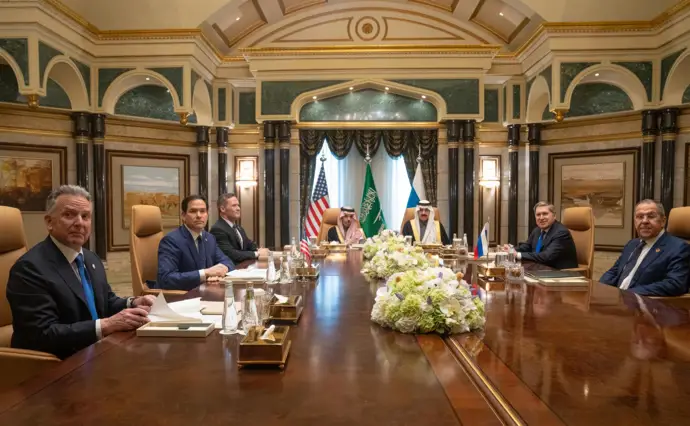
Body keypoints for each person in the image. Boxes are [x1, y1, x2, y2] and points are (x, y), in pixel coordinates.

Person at [7, 185, 156, 359]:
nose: (79, 223)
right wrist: (106, 325)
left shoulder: (91, 258)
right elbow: (42, 334)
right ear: (49, 222)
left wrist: (133, 303)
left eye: (85, 216)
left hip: (96, 352)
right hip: (57, 364)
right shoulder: (30, 268)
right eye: (69, 215)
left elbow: (106, 302)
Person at [600, 200, 690, 297]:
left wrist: (627, 294)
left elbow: (675, 284)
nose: (644, 221)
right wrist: (598, 289)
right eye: (640, 217)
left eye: (651, 216)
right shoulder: (632, 244)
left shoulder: (679, 248)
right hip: (617, 300)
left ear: (663, 221)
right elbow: (613, 273)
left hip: (643, 303)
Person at [157, 195, 234, 291]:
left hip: (208, 291)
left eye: (203, 211)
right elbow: (166, 279)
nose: (199, 215)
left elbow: (228, 262)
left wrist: (222, 270)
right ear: (183, 216)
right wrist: (205, 273)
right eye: (193, 211)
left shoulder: (209, 238)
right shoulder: (171, 240)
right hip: (184, 295)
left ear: (207, 214)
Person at [510, 201, 578, 269]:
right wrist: (511, 250)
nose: (541, 218)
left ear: (554, 216)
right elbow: (527, 247)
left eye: (545, 214)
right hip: (541, 268)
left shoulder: (561, 233)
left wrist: (518, 255)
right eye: (538, 215)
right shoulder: (537, 230)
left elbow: (546, 256)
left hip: (560, 271)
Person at [210, 193, 269, 263]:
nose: (238, 208)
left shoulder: (238, 227)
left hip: (244, 267)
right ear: (222, 209)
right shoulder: (217, 229)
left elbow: (249, 244)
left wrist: (260, 250)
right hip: (231, 268)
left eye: (238, 205)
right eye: (234, 205)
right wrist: (257, 253)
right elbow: (231, 254)